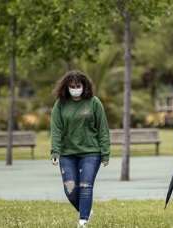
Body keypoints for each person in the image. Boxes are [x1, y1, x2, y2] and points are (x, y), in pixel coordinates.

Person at [50, 70, 110, 228]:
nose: (75, 88)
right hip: (67, 154)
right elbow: (56, 130)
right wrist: (55, 151)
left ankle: (83, 220)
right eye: (72, 86)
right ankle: (86, 210)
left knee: (85, 185)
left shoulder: (94, 102)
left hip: (91, 153)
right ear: (66, 87)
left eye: (78, 86)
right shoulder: (60, 104)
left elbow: (103, 129)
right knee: (70, 189)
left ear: (84, 86)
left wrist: (105, 153)